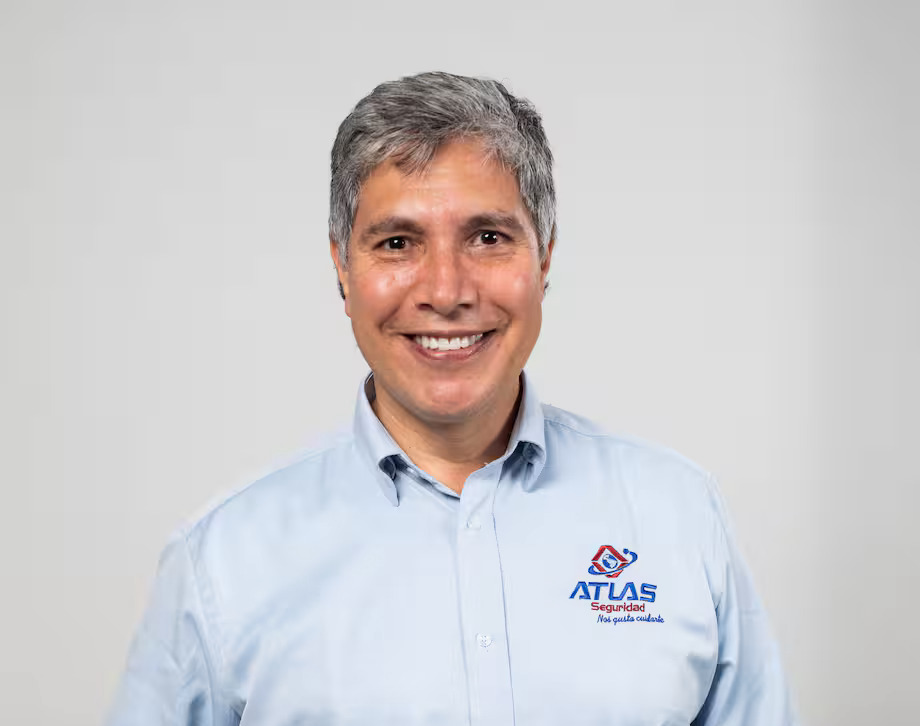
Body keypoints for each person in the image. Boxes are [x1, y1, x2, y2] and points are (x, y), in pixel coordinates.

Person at [106, 71, 798, 725]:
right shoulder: (222, 560)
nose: (446, 291)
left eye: (488, 238)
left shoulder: (679, 516)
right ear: (342, 268)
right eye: (397, 242)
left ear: (544, 258)